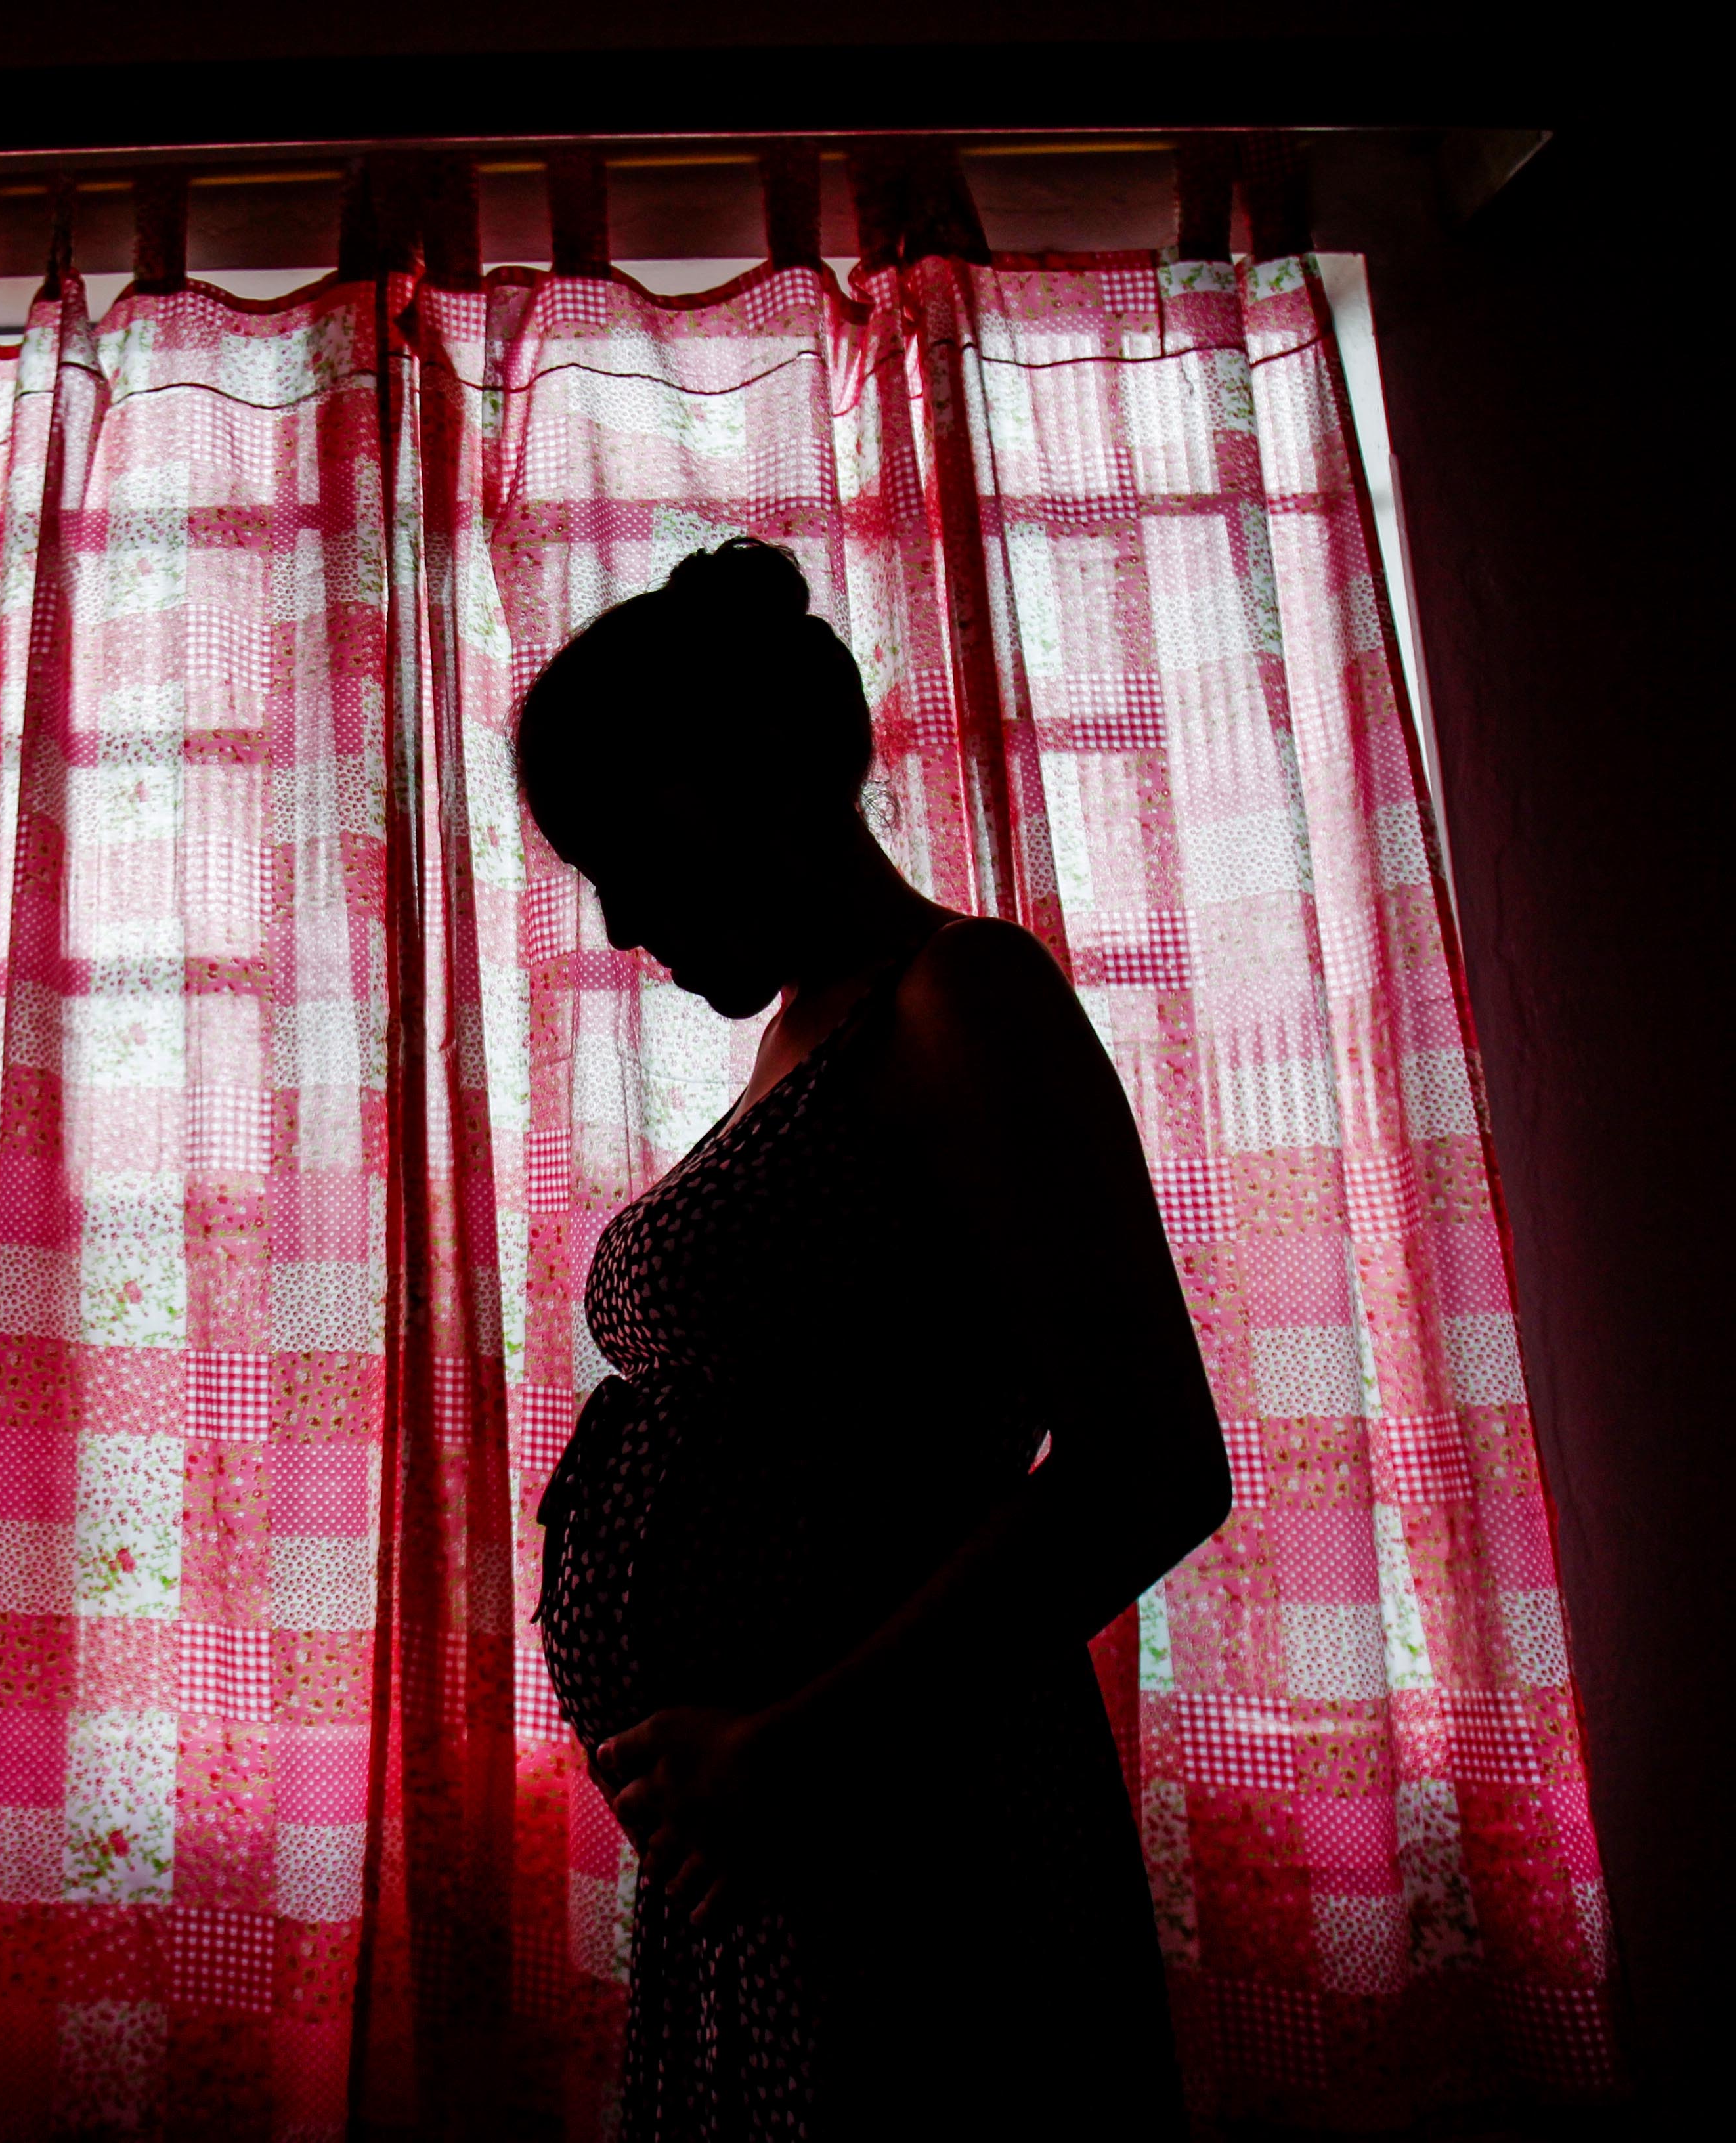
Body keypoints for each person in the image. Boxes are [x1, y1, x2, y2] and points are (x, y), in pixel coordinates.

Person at [519, 539, 1230, 2138]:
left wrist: (791, 1750)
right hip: (785, 1840)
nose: (625, 918)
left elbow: (1154, 1465)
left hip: (916, 1823)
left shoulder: (961, 997)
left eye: (628, 847)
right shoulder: (803, 1036)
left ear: (764, 771)